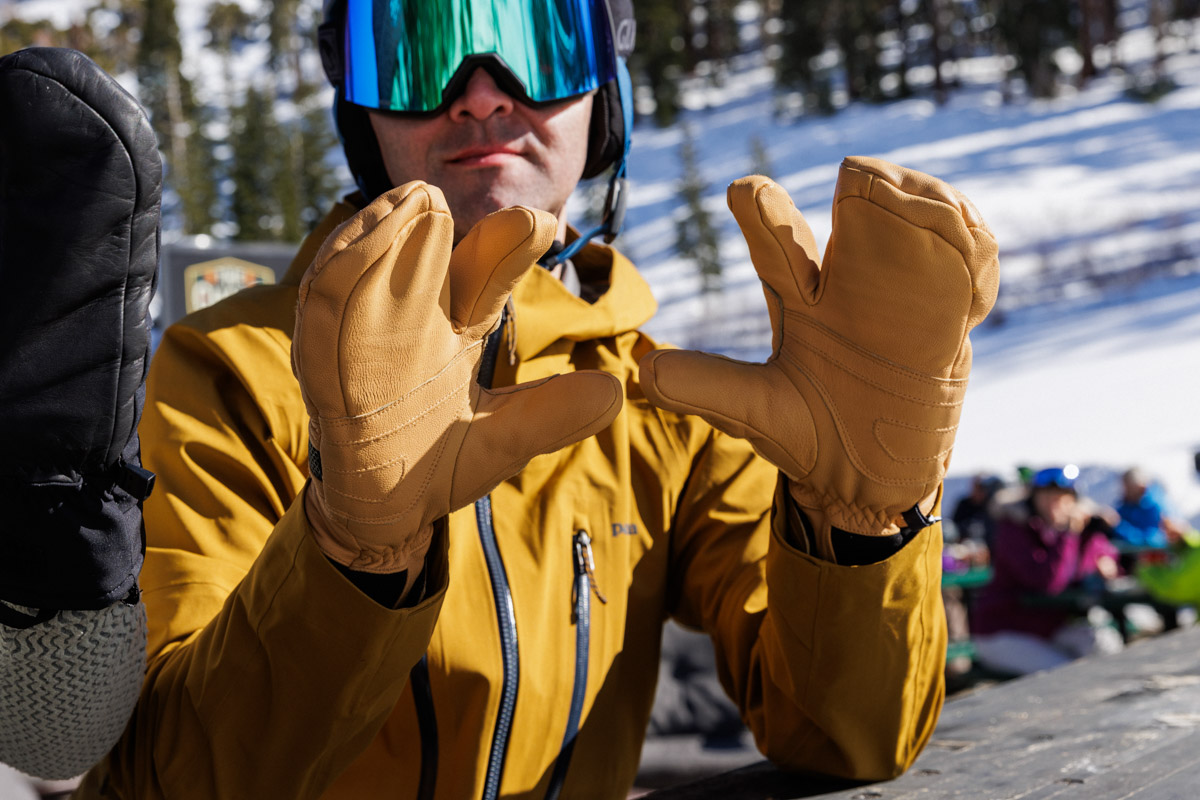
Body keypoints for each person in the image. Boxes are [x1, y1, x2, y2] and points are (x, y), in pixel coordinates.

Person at [1, 1, 996, 797]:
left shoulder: (664, 402)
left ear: (601, 95)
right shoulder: (234, 374)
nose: (478, 98)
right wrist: (352, 556)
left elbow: (845, 737)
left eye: (534, 40)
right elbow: (160, 778)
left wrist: (863, 527)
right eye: (413, 46)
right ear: (362, 113)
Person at [0, 47, 159, 781]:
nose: (482, 100)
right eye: (406, 62)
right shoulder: (238, 361)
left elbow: (57, 735)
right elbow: (56, 734)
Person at [971, 465, 1124, 675]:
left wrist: (1105, 556)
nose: (1055, 505)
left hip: (1046, 625)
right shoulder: (1015, 529)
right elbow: (1048, 583)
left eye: (1062, 498)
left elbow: (1104, 552)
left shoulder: (1075, 529)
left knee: (1105, 646)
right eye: (1047, 497)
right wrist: (1069, 535)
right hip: (1003, 631)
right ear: (1034, 499)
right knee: (1067, 675)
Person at [1113, 467, 1192, 549]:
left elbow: (1157, 538)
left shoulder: (1157, 507)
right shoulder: (1124, 507)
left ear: (1142, 487)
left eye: (1129, 488)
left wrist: (1119, 527)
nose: (1125, 492)